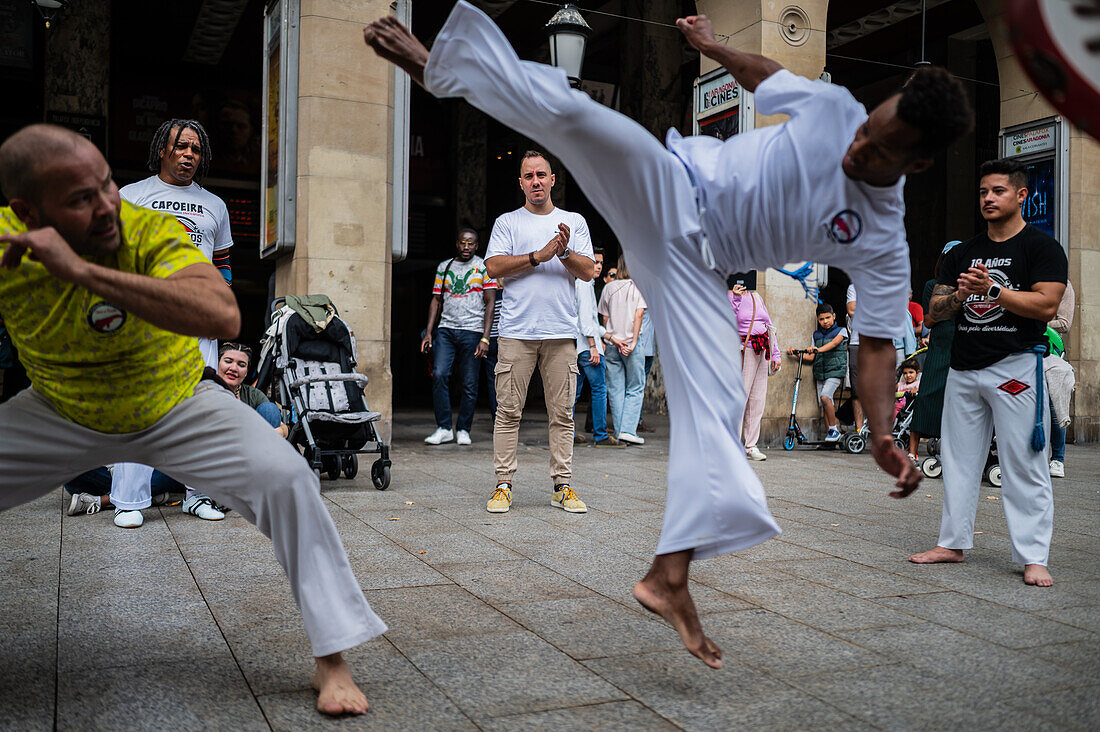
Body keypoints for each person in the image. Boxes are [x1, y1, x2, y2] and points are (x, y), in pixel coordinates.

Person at [364, 3, 969, 667]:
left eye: (880, 151)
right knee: (578, 118)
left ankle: (668, 575)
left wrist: (882, 432)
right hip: (673, 188)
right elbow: (764, 73)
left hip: (698, 271)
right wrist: (712, 45)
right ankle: (435, 66)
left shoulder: (881, 238)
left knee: (712, 411)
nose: (860, 146)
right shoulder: (836, 112)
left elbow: (879, 343)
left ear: (915, 167)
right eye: (869, 130)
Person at [0, 124, 384, 714]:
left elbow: (221, 312)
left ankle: (331, 659)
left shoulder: (147, 226)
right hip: (62, 409)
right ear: (26, 211)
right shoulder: (6, 241)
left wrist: (83, 272)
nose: (106, 206)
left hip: (175, 402)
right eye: (81, 199)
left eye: (106, 185)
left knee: (288, 479)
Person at [909, 158, 1067, 588]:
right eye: (982, 192)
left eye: (997, 191)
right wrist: (960, 295)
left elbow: (1047, 305)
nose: (988, 198)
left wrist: (993, 290)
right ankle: (952, 543)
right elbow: (935, 314)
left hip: (1015, 365)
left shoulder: (1041, 247)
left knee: (1024, 462)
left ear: (1021, 195)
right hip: (964, 368)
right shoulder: (962, 252)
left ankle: (1034, 556)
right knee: (958, 461)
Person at [113, 118, 236, 526]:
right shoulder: (131, 196)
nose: (188, 155)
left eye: (195, 149)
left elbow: (223, 266)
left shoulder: (214, 205)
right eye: (180, 146)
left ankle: (198, 495)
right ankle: (129, 501)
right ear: (162, 150)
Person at [480, 150, 596, 514]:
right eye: (528, 176)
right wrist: (537, 256)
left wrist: (561, 253)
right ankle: (503, 484)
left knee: (562, 413)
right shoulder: (507, 223)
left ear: (552, 180)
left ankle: (563, 486)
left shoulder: (573, 222)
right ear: (520, 183)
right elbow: (494, 266)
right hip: (516, 332)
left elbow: (590, 270)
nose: (535, 181)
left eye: (541, 175)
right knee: (508, 411)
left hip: (561, 332)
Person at [421, 227, 498, 445]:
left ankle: (464, 428)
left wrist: (485, 337)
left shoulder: (484, 267)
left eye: (471, 243)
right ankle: (444, 427)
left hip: (473, 331)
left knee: (469, 382)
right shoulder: (444, 267)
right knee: (440, 374)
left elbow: (490, 302)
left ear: (476, 245)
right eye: (463, 243)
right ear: (457, 244)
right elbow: (436, 300)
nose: (466, 247)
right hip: (446, 329)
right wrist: (428, 332)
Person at [908, 240, 961, 460]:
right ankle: (912, 451)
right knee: (927, 394)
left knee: (960, 399)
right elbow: (929, 321)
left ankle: (956, 449)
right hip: (940, 346)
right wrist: (956, 299)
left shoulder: (972, 287)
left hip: (964, 347)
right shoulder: (933, 285)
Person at [574, 246, 620, 448]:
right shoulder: (584, 284)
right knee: (600, 390)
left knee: (573, 393)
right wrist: (593, 346)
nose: (598, 266)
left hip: (580, 346)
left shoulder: (583, 283)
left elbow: (592, 322)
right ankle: (601, 435)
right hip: (588, 347)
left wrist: (610, 337)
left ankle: (568, 433)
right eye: (594, 261)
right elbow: (585, 320)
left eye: (600, 262)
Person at [599, 255, 648, 445]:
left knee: (615, 389)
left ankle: (620, 432)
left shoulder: (609, 287)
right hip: (630, 343)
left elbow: (604, 318)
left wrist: (611, 337)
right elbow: (639, 314)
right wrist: (634, 341)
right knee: (635, 387)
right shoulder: (639, 286)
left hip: (613, 343)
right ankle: (628, 430)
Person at [729, 280, 780, 460]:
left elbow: (769, 325)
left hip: (762, 349)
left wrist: (775, 354)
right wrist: (735, 298)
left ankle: (751, 445)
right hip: (745, 350)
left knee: (757, 399)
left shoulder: (756, 296)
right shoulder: (728, 296)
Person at [788, 303, 848, 442]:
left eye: (828, 318)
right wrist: (796, 353)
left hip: (835, 371)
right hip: (820, 372)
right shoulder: (816, 334)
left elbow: (833, 344)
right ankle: (830, 437)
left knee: (825, 396)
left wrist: (817, 349)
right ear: (818, 320)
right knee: (824, 405)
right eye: (821, 319)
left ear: (834, 316)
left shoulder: (841, 331)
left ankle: (833, 430)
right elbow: (811, 357)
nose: (825, 321)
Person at [1047, 279, 1074, 478]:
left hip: (1050, 350)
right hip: (1018, 348)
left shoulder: (1063, 285)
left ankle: (1057, 459)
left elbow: (1064, 323)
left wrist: (1034, 321)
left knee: (1054, 402)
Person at [845, 284, 866, 434]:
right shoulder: (854, 286)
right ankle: (859, 430)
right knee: (856, 391)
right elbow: (852, 310)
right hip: (857, 343)